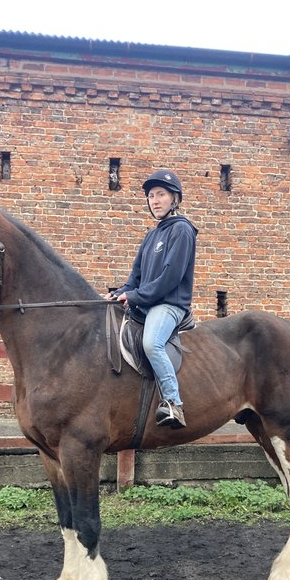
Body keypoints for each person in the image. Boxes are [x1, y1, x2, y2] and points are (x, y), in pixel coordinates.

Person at [107, 169, 197, 428]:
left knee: (151, 343)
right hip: (147, 302)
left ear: (174, 199)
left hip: (169, 305)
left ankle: (173, 403)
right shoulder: (152, 235)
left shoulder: (182, 230)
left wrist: (134, 296)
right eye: (150, 196)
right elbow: (135, 277)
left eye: (161, 195)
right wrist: (117, 293)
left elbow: (170, 278)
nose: (155, 201)